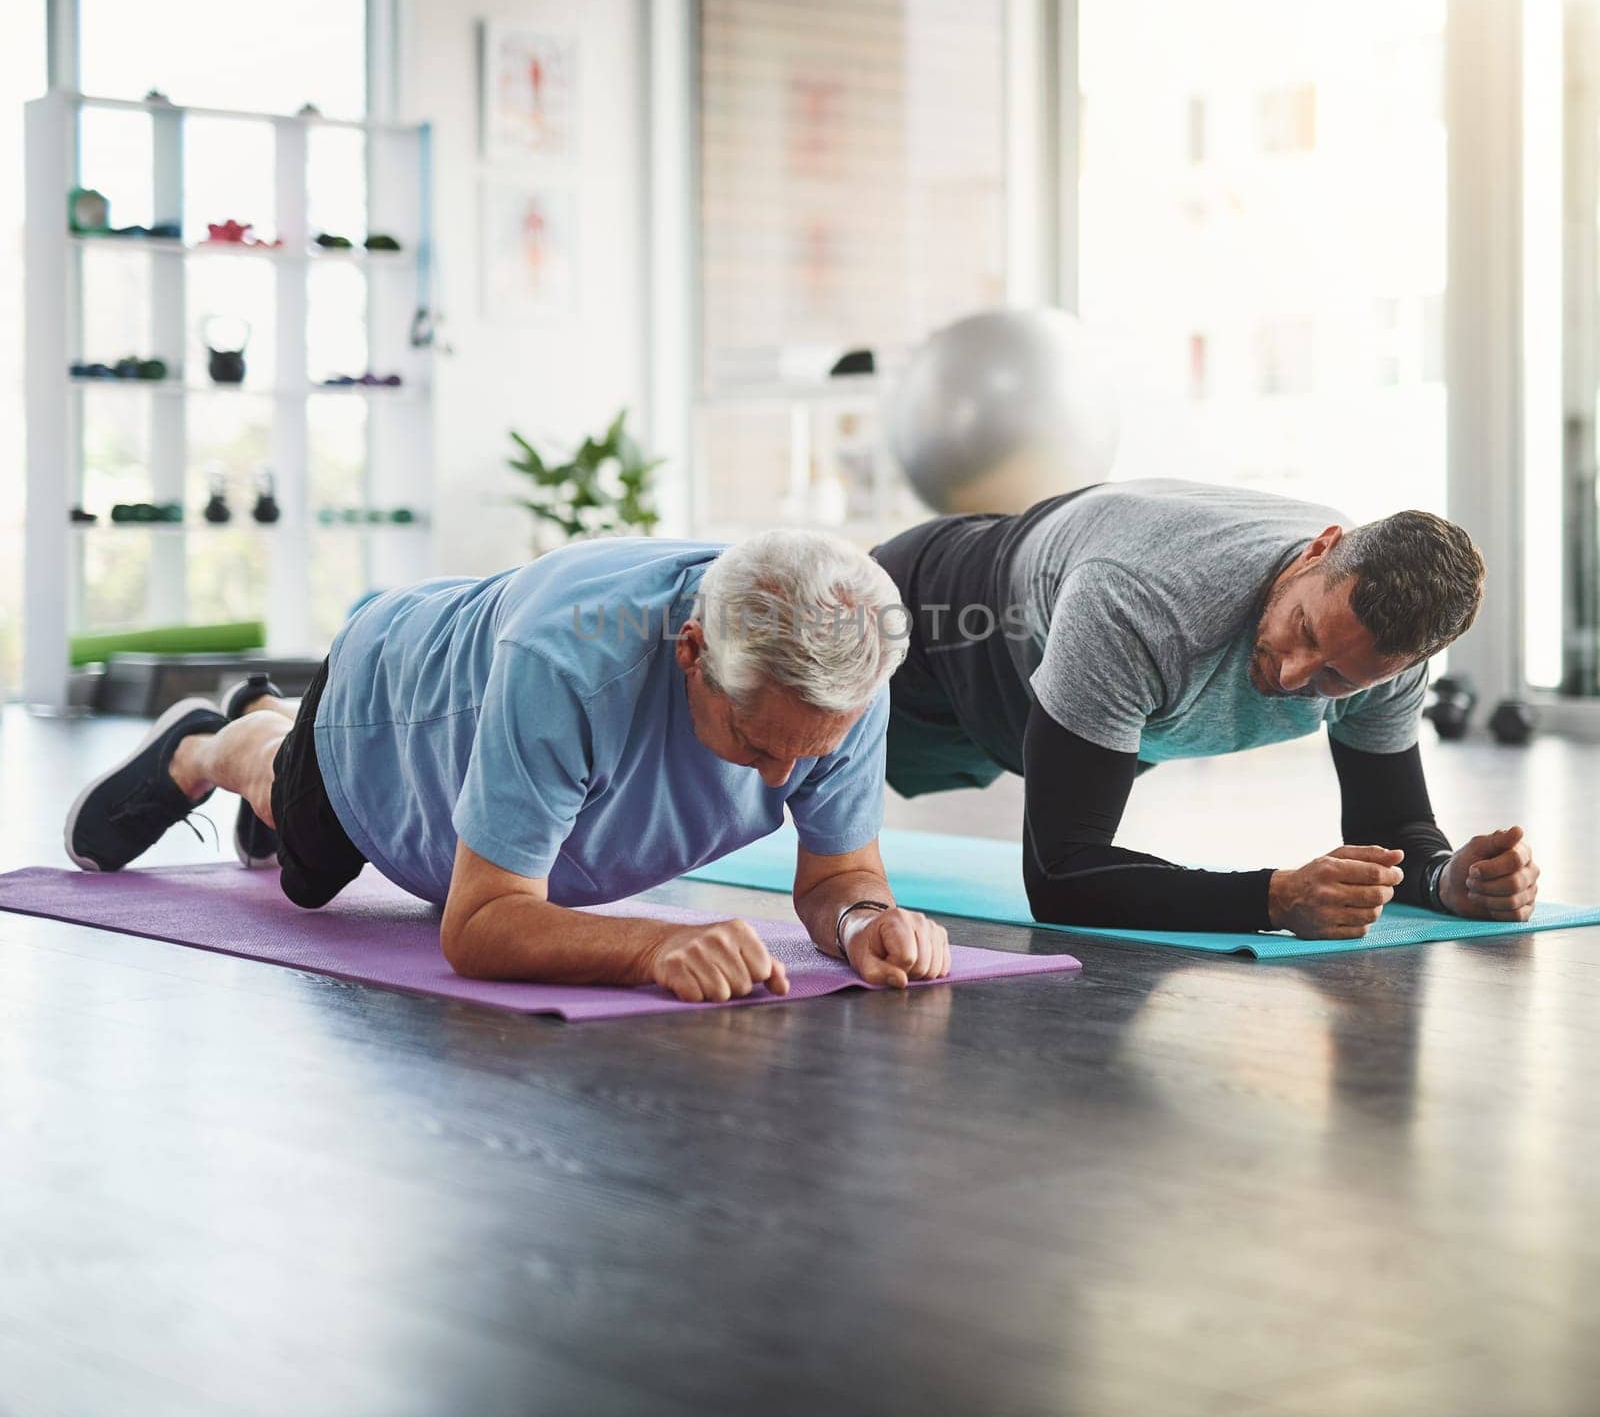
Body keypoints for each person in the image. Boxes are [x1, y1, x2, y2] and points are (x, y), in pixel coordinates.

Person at [64, 531, 951, 1001]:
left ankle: (268, 737)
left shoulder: (840, 665)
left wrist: (866, 921)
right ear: (691, 653)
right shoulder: (572, 663)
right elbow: (480, 923)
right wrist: (656, 947)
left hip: (508, 698)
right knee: (307, 856)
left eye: (809, 753)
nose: (775, 781)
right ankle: (229, 737)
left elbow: (841, 875)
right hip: (390, 703)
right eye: (759, 748)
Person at [872, 479, 1540, 939]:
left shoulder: (1385, 661)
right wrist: (1274, 897)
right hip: (934, 623)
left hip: (1040, 689)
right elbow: (1059, 878)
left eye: (1335, 676)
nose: (1293, 675)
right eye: (1305, 630)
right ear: (1319, 548)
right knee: (777, 765)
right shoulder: (1138, 602)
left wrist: (1448, 878)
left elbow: (1390, 827)